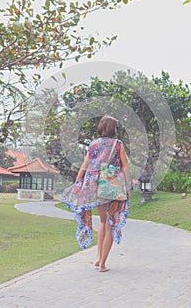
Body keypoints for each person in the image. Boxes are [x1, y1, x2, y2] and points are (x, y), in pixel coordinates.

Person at [61, 115, 131, 272]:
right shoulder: (118, 144)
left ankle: (98, 259)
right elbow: (125, 166)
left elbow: (85, 166)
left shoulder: (93, 144)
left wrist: (78, 182)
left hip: (93, 185)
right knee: (111, 224)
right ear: (113, 128)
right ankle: (103, 264)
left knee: (103, 222)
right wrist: (127, 186)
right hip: (111, 184)